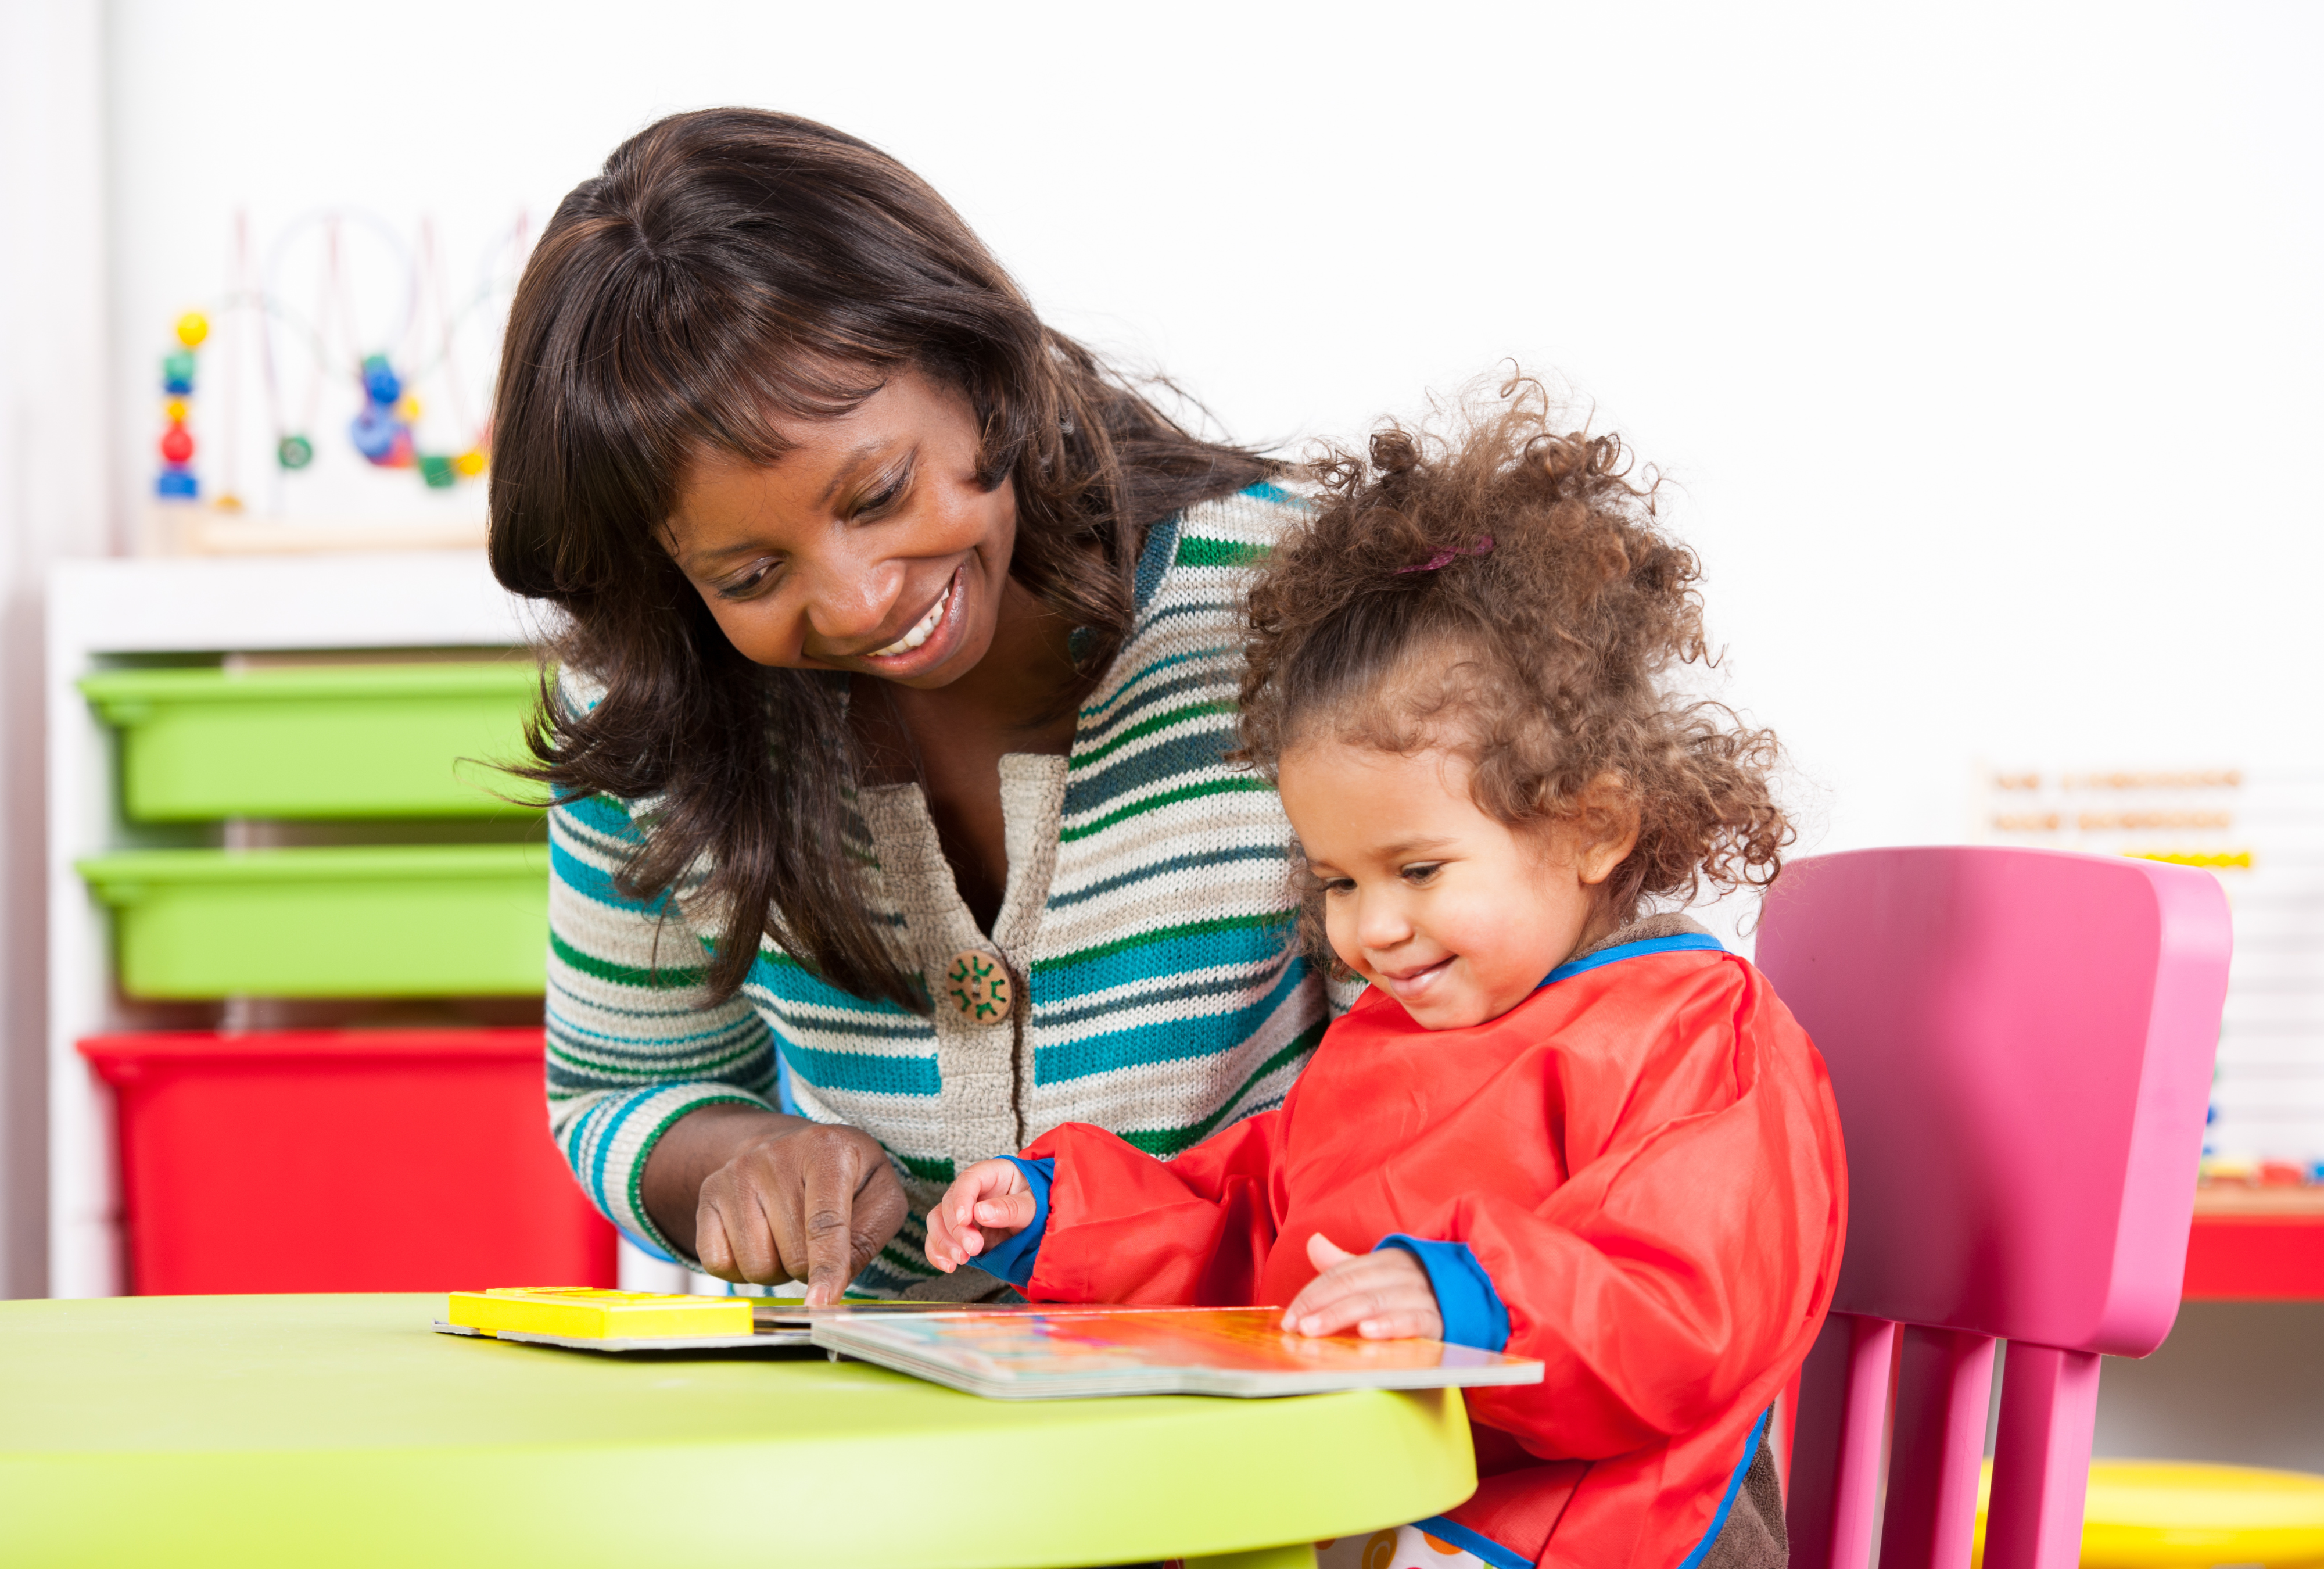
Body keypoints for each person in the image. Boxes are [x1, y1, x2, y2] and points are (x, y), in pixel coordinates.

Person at [925, 384, 1848, 1569]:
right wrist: (1061, 1218)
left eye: (1414, 868)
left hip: (1613, 1537)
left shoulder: (1692, 1032)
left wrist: (1462, 1302)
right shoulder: (1390, 1040)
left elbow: (1682, 1311)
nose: (1371, 930)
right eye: (1338, 883)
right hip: (1402, 1509)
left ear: (1591, 824)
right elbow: (1251, 1224)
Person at [486, 108, 1339, 1303]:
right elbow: (619, 1088)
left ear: (975, 365)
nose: (858, 602)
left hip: (1277, 1424)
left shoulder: (1298, 613)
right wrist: (746, 1157)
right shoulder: (656, 716)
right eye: (749, 576)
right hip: (892, 1456)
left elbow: (1479, 1060)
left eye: (879, 493)